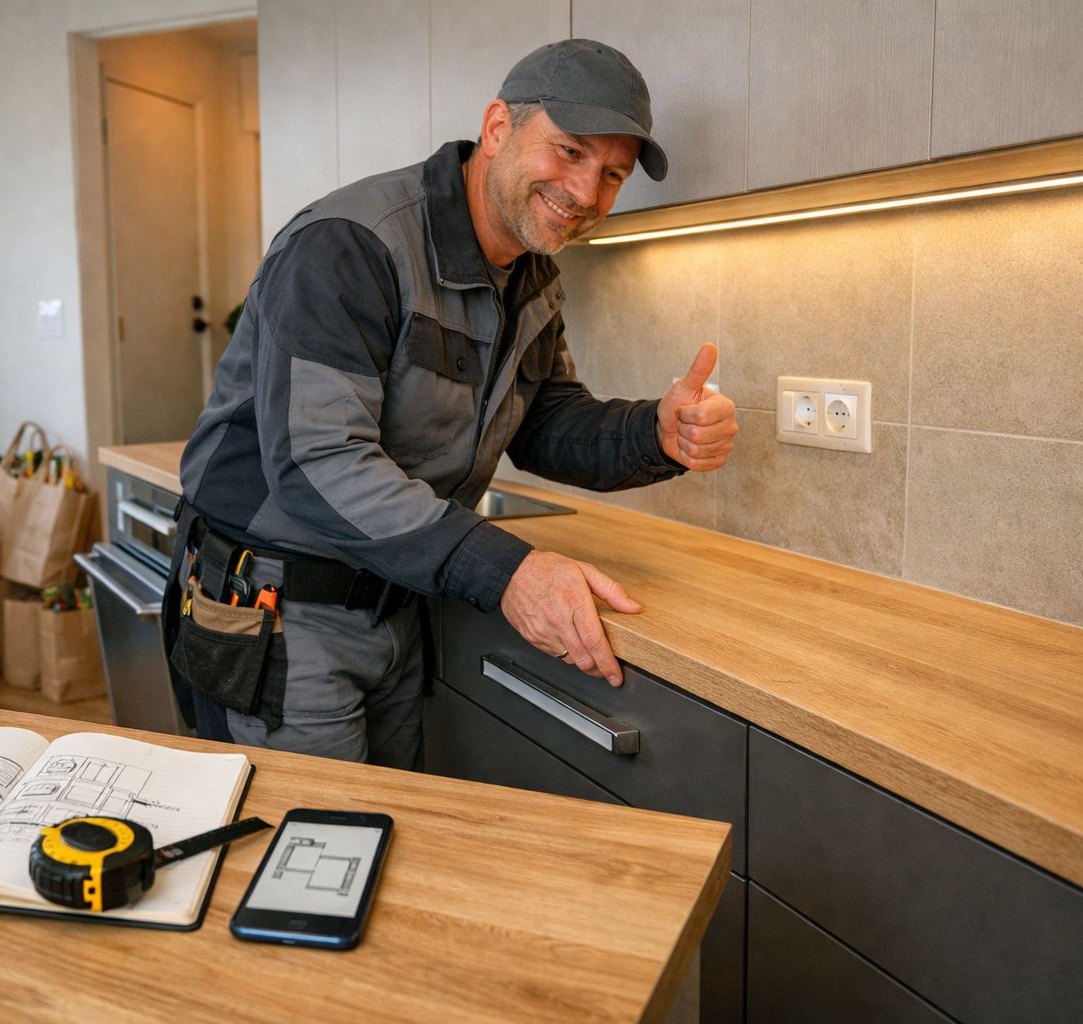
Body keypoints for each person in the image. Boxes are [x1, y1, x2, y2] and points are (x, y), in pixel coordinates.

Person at [168, 39, 738, 767]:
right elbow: (317, 462)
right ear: (498, 127)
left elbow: (543, 422)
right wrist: (507, 570)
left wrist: (654, 433)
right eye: (569, 151)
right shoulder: (350, 245)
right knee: (309, 837)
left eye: (612, 174)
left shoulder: (532, 275)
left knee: (391, 829)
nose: (587, 192)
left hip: (396, 600)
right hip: (277, 614)